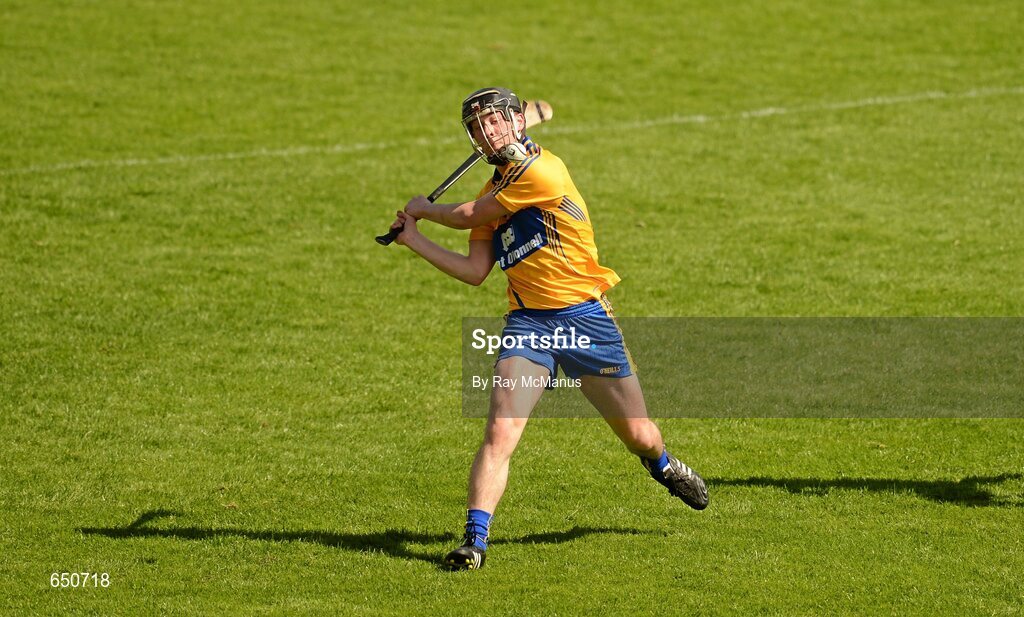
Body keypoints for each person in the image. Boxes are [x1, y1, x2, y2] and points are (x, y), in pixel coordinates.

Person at [388, 87, 708, 571]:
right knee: (500, 430)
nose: (486, 132)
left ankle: (661, 464)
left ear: (518, 122)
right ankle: (474, 542)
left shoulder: (544, 172)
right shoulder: (490, 190)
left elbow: (468, 217)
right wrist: (413, 239)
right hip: (528, 325)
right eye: (477, 127)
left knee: (640, 435)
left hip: (585, 319)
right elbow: (476, 270)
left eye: (494, 121)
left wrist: (424, 209)